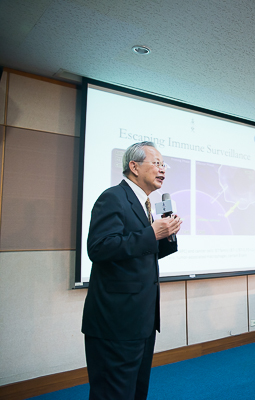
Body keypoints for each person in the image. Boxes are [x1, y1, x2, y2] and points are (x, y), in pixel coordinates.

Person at [82, 142, 183, 400]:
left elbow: (142, 251)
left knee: (136, 391)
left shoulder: (146, 204)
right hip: (116, 322)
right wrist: (151, 234)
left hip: (141, 319)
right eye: (156, 163)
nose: (163, 169)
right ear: (134, 166)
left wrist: (166, 236)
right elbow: (99, 248)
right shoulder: (113, 197)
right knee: (113, 393)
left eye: (164, 165)